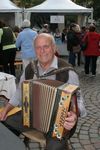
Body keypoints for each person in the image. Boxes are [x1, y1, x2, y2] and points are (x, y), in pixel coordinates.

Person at [0, 33, 87, 150]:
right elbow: (20, 92)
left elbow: (79, 101)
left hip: (58, 123)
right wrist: (7, 108)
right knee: (4, 124)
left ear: (54, 48)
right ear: (34, 50)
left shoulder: (67, 72)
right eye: (38, 47)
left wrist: (74, 115)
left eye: (46, 46)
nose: (42, 51)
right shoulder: (30, 68)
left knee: (55, 147)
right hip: (30, 116)